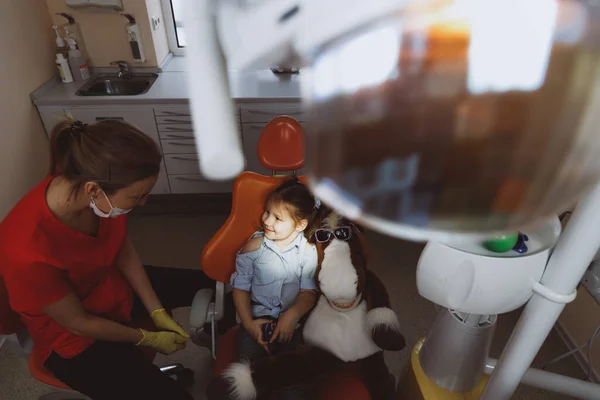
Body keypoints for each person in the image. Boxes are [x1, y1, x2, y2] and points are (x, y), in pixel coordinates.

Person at [0, 120, 222, 400]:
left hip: (108, 288)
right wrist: (147, 337)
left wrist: (156, 310)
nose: (142, 204)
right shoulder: (26, 249)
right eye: (138, 197)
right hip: (74, 339)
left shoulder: (98, 195)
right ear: (94, 190)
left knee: (213, 282)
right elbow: (77, 323)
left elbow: (123, 251)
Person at [231, 178, 319, 399]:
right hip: (256, 322)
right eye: (267, 212)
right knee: (246, 380)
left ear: (300, 225)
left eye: (278, 218)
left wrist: (291, 316)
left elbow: (308, 293)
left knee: (296, 384)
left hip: (290, 325)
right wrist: (249, 325)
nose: (267, 221)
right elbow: (240, 289)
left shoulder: (307, 252)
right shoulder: (254, 247)